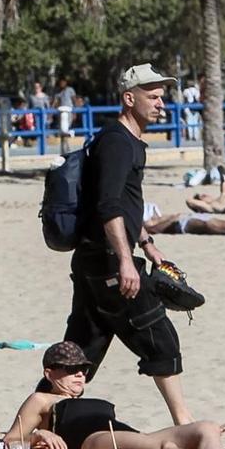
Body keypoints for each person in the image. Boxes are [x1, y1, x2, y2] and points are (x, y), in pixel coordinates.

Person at [58, 63, 190, 426]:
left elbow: (127, 202)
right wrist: (125, 261)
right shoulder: (116, 142)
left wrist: (147, 244)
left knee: (80, 352)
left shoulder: (128, 141)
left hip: (94, 260)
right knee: (158, 335)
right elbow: (108, 207)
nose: (161, 104)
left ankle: (38, 424)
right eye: (153, 97)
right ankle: (185, 424)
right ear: (129, 98)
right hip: (106, 262)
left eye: (163, 97)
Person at [6, 342, 225, 449]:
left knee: (206, 428)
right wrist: (39, 436)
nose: (79, 374)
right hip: (93, 447)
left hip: (124, 444)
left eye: (83, 369)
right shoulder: (41, 400)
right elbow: (8, 442)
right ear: (49, 372)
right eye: (70, 368)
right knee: (163, 447)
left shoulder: (84, 400)